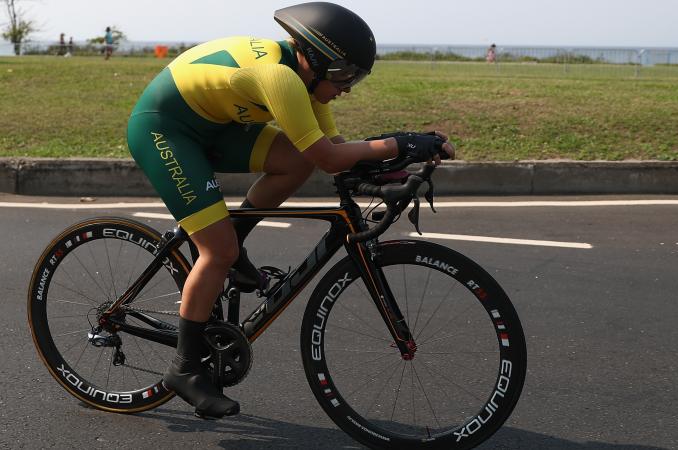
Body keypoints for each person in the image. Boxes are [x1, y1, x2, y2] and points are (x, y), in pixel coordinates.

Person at [126, 1, 454, 419]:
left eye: (357, 77)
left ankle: (234, 246)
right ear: (316, 59)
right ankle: (184, 368)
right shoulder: (280, 78)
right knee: (216, 251)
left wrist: (396, 160)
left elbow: (331, 151)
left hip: (216, 125)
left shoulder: (306, 81)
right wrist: (403, 143)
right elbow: (331, 159)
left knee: (294, 161)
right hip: (165, 130)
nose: (349, 86)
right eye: (345, 75)